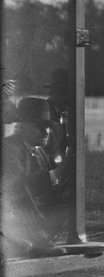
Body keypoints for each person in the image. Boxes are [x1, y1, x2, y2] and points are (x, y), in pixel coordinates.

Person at [2, 97, 71, 255]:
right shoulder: (10, 147)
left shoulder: (39, 151)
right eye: (40, 127)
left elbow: (46, 187)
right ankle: (37, 239)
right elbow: (15, 183)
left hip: (34, 211)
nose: (46, 132)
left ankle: (40, 236)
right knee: (21, 190)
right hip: (12, 211)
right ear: (23, 126)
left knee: (72, 196)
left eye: (47, 127)